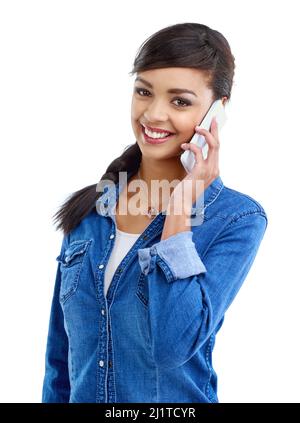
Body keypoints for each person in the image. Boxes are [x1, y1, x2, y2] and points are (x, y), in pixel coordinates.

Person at [42, 22, 268, 403]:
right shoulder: (90, 211)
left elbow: (171, 346)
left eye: (180, 101)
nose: (154, 114)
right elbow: (59, 364)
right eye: (144, 92)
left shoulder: (237, 220)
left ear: (218, 111)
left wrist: (179, 210)